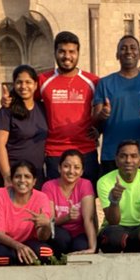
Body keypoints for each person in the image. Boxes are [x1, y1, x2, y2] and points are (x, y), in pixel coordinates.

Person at [93, 35, 140, 174]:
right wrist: (102, 114)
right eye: (123, 48)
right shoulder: (105, 83)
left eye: (133, 48)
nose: (128, 51)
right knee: (112, 195)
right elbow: (95, 118)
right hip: (112, 155)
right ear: (117, 55)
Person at [38, 31, 101, 183]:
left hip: (86, 150)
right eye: (62, 51)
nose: (67, 56)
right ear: (55, 53)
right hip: (55, 152)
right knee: (57, 202)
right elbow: (22, 102)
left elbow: (105, 109)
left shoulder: (92, 81)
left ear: (78, 53)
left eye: (71, 52)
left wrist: (99, 128)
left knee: (87, 199)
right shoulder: (42, 81)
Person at [95, 140, 140, 253]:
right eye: (123, 156)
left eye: (133, 156)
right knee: (114, 237)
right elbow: (113, 221)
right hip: (114, 229)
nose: (128, 160)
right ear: (116, 160)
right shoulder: (104, 181)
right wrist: (114, 200)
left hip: (139, 229)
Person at [0, 161, 56, 265]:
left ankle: (19, 257)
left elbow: (42, 237)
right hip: (4, 242)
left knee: (45, 253)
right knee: (0, 257)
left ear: (34, 181)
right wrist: (19, 246)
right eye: (18, 176)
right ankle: (17, 257)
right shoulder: (0, 194)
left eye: (27, 177)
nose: (22, 180)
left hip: (29, 241)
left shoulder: (41, 197)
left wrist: (46, 225)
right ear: (11, 180)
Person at [0, 64, 48, 187]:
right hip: (14, 176)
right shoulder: (6, 111)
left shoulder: (42, 108)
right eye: (19, 82)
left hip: (35, 174)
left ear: (35, 85)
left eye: (28, 82)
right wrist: (7, 177)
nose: (23, 86)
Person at [42, 149, 98, 254]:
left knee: (81, 247)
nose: (71, 171)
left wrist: (92, 249)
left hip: (80, 232)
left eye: (76, 168)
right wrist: (66, 218)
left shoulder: (85, 185)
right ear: (59, 168)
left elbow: (88, 219)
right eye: (66, 166)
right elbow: (49, 222)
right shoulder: (49, 186)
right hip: (59, 233)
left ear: (81, 171)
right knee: (62, 239)